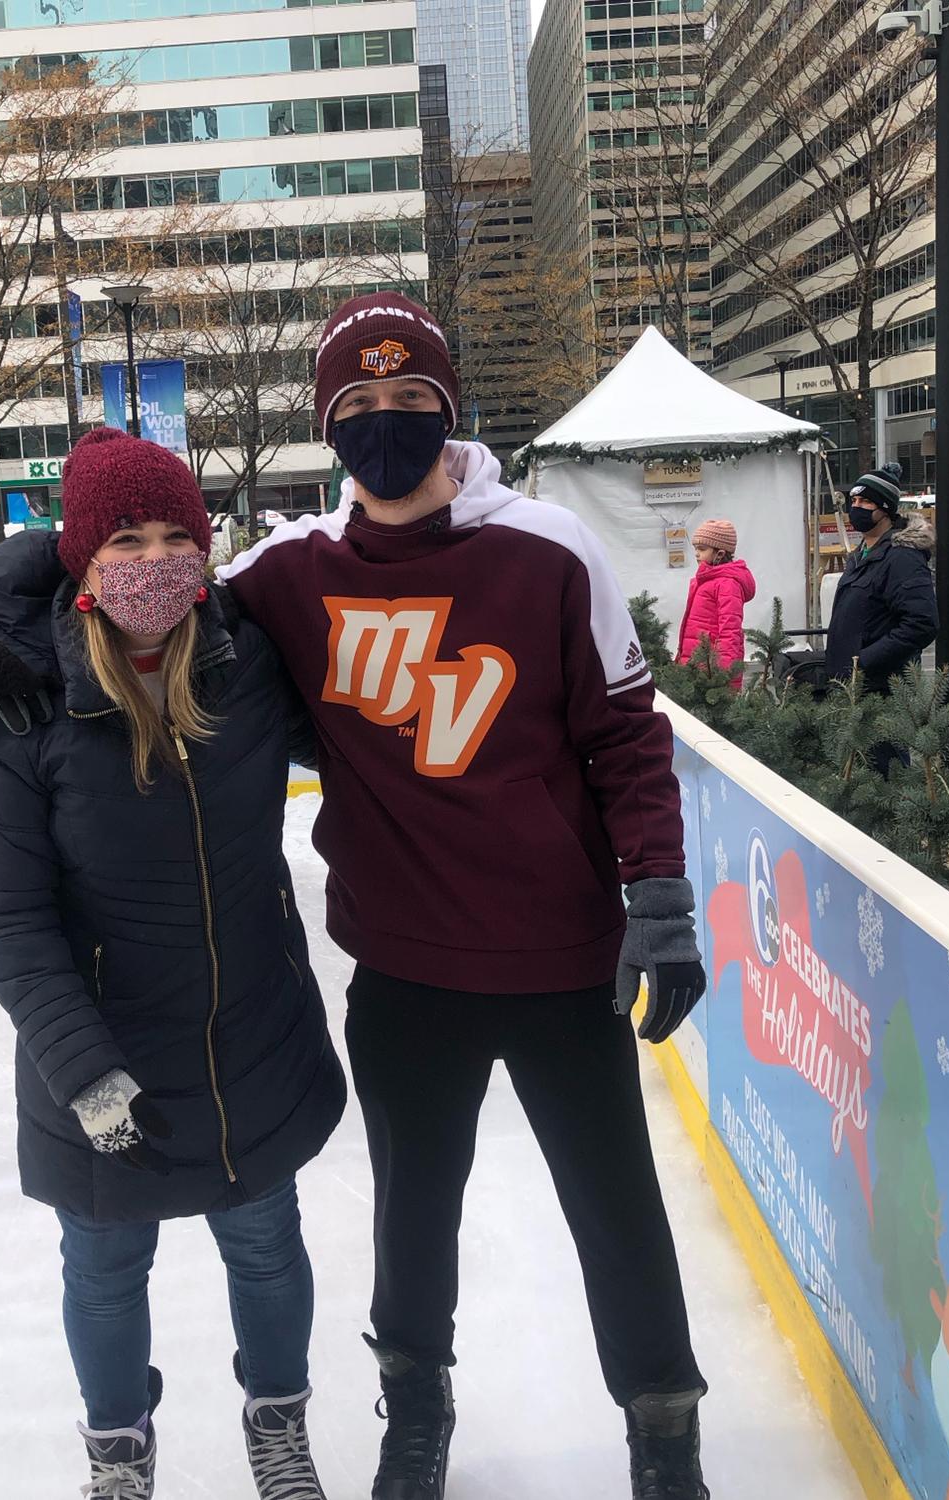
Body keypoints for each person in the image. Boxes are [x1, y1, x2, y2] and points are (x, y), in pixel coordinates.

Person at [218, 292, 711, 1500]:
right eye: (360, 408)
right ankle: (416, 1419)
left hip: (563, 957)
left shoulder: (547, 549)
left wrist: (659, 892)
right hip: (405, 969)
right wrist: (19, 595)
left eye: (412, 404)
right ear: (330, 427)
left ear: (451, 415)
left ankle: (664, 1436)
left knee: (618, 1211)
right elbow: (150, 587)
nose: (387, 426)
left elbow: (625, 735)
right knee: (413, 1215)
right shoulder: (289, 574)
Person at [0, 427, 346, 1500]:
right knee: (107, 1269)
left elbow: (381, 741)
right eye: (124, 539)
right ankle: (118, 1447)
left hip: (253, 1035)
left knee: (265, 1247)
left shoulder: (247, 663)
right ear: (80, 559)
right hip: (102, 1051)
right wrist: (86, 1072)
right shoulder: (19, 708)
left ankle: (279, 1423)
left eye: (176, 535)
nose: (154, 561)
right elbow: (9, 918)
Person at [824, 463, 939, 774]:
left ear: (886, 509)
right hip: (851, 686)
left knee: (883, 775)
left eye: (866, 503)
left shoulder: (901, 557)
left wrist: (866, 660)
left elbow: (922, 622)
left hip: (880, 690)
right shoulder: (862, 552)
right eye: (854, 502)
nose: (856, 508)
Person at [675, 518, 756, 689]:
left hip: (712, 674)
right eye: (695, 548)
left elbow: (730, 631)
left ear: (720, 553)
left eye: (702, 549)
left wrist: (723, 678)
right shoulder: (705, 580)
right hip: (696, 667)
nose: (697, 553)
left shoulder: (727, 584)